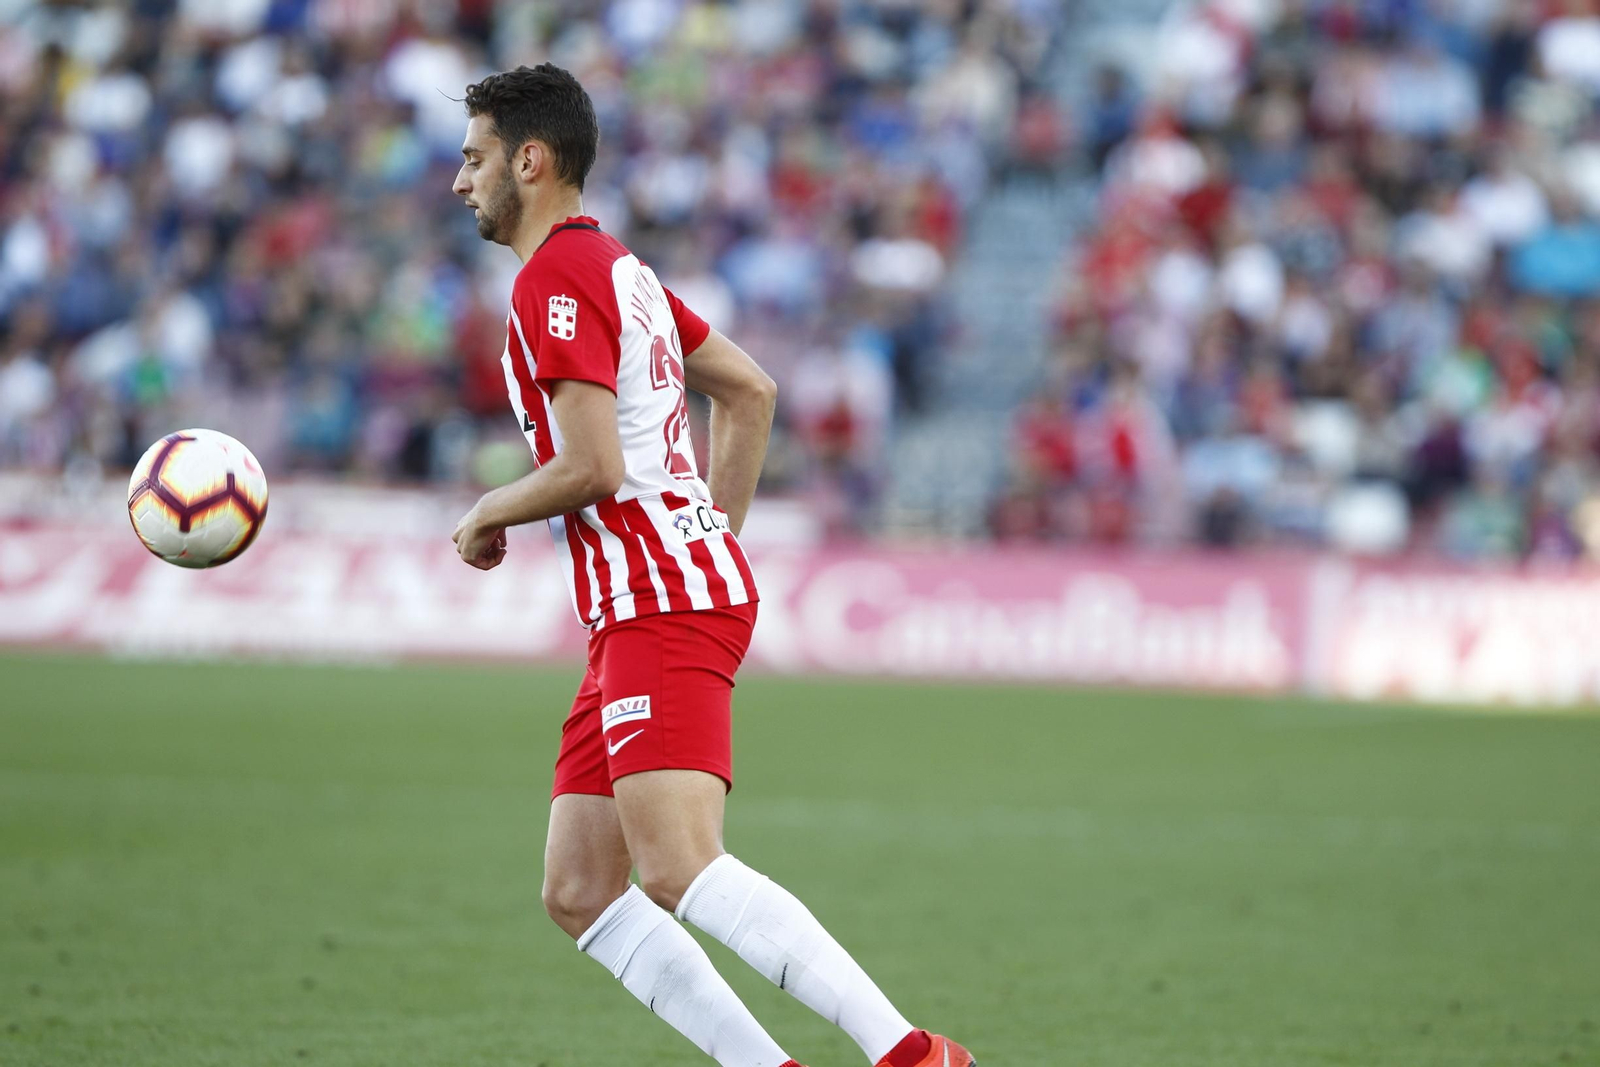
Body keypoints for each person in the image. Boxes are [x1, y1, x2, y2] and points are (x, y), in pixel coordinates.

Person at [448, 64, 976, 1067]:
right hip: (648, 600)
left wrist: (489, 509)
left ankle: (909, 1052)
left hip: (658, 601)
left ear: (531, 158)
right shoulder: (621, 271)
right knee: (580, 888)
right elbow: (749, 389)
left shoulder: (553, 279)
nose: (460, 181)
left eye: (474, 159)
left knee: (679, 864)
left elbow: (592, 466)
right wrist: (710, 535)